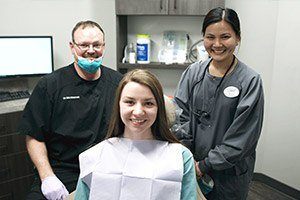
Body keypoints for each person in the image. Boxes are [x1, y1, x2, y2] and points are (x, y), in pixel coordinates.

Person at [18, 20, 123, 200]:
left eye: (96, 44)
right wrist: (48, 177)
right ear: (72, 47)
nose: (91, 50)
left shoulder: (119, 83)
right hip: (62, 171)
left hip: (106, 169)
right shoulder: (50, 85)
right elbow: (34, 135)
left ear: (104, 46)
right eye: (84, 45)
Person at [174, 7, 264, 200]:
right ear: (203, 37)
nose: (217, 44)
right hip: (192, 166)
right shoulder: (193, 74)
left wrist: (204, 165)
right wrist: (188, 157)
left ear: (238, 38)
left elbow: (242, 139)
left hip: (229, 177)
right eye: (210, 37)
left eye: (225, 37)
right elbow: (180, 115)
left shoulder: (250, 81)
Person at [74, 69, 198, 200]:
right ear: (118, 105)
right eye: (130, 102)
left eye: (148, 103)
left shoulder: (180, 157)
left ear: (159, 108)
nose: (138, 112)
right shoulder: (94, 156)